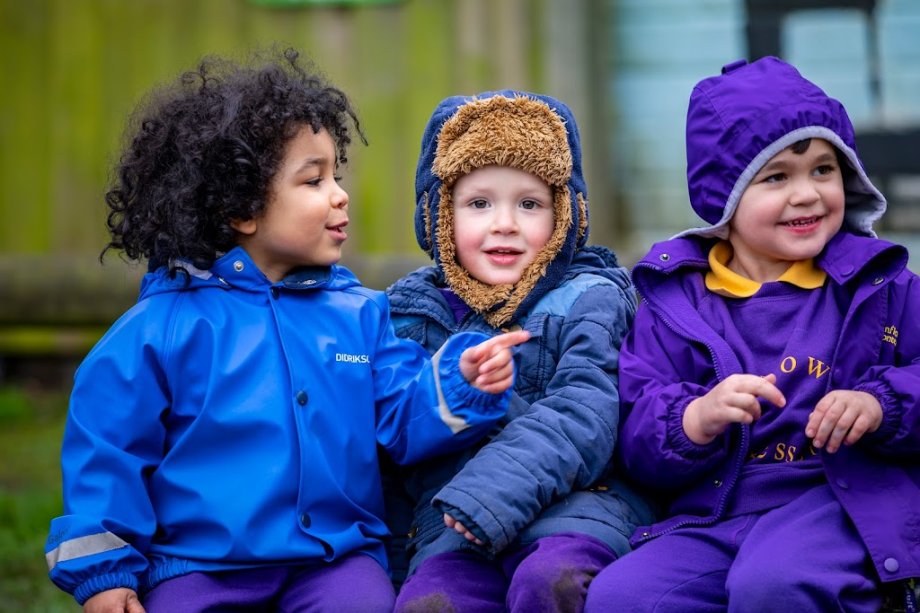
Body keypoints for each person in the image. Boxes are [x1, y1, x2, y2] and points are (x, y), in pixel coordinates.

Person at [43, 49, 529, 613]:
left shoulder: (360, 314)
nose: (340, 194)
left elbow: (402, 416)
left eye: (336, 175)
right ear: (243, 208)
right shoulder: (160, 330)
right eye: (313, 180)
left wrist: (462, 383)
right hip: (197, 569)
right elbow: (108, 455)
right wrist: (105, 576)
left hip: (335, 563)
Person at [584, 56, 920, 612]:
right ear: (724, 197)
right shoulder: (675, 300)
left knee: (774, 586)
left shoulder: (883, 285)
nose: (808, 194)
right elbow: (638, 431)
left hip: (840, 503)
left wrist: (880, 403)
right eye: (776, 177)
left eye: (823, 169)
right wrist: (695, 419)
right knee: (623, 596)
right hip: (717, 512)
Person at [383, 90, 655, 612]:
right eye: (478, 203)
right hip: (451, 529)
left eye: (529, 204)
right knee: (429, 604)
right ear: (440, 213)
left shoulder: (590, 296)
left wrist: (490, 491)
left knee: (549, 583)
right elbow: (391, 433)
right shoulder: (408, 313)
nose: (503, 223)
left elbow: (586, 412)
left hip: (574, 516)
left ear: (564, 214)